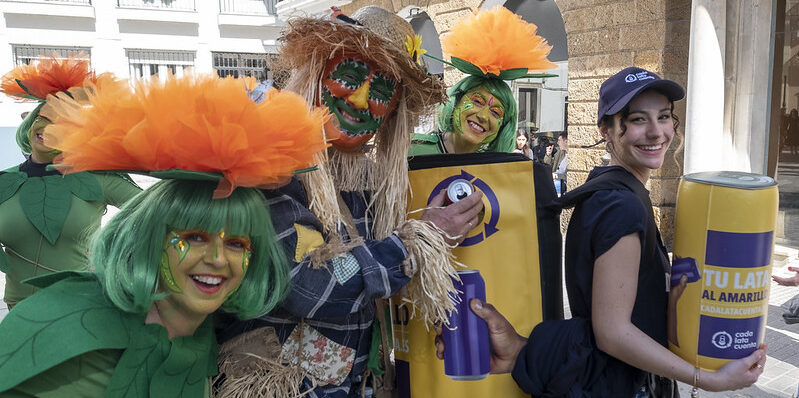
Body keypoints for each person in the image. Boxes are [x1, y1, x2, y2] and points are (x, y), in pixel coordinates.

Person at [436, 67, 767, 396]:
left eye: (664, 117)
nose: (657, 132)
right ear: (606, 130)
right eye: (638, 119)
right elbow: (613, 333)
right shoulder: (620, 206)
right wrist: (707, 378)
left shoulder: (606, 187)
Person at [0, 72, 327, 396]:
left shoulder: (199, 333)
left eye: (236, 243)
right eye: (196, 237)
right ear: (150, 238)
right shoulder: (78, 343)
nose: (217, 259)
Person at [215, 7, 485, 398]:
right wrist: (418, 240)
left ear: (393, 111)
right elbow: (308, 285)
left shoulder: (367, 183)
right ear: (316, 71)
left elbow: (375, 292)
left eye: (380, 91)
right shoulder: (268, 164)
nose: (360, 100)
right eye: (351, 75)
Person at [0, 56, 141, 309]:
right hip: (18, 308)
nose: (50, 129)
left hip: (80, 306)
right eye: (44, 118)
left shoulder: (95, 177)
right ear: (31, 123)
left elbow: (155, 210)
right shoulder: (5, 182)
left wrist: (117, 256)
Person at [409, 7, 555, 155]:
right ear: (456, 101)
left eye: (496, 112)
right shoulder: (412, 151)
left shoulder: (496, 171)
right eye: (477, 101)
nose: (483, 116)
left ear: (502, 128)